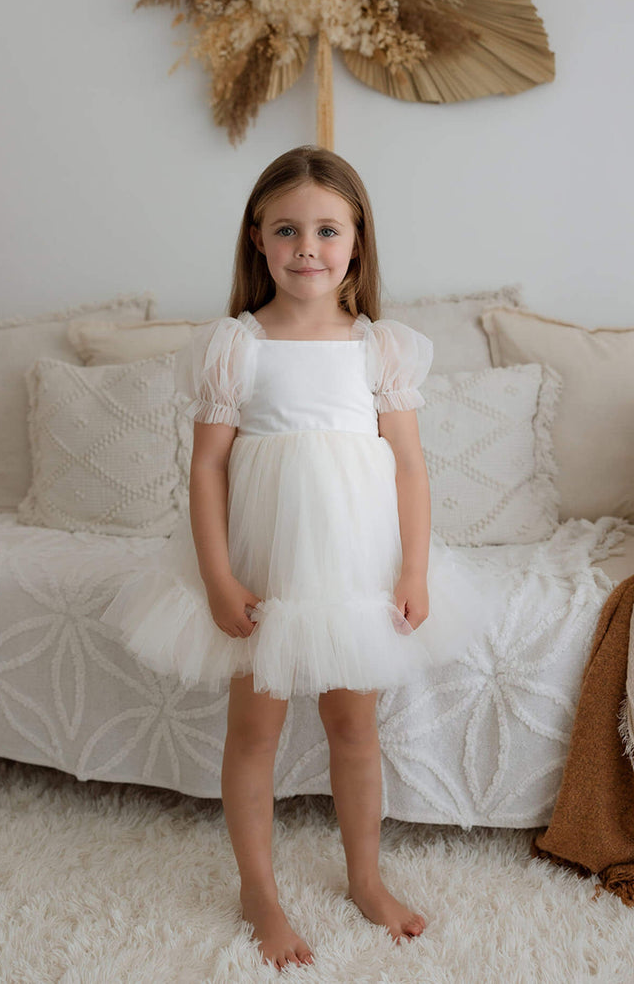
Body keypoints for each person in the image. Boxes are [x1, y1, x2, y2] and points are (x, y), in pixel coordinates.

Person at [100, 145, 470, 970]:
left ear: (357, 242)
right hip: (263, 563)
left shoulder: (383, 350)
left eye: (327, 229)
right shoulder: (238, 345)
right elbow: (206, 466)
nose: (309, 246)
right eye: (288, 229)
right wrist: (218, 575)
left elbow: (408, 465)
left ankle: (365, 878)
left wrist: (412, 568)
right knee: (254, 732)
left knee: (354, 726)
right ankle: (259, 890)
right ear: (258, 241)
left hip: (355, 567)